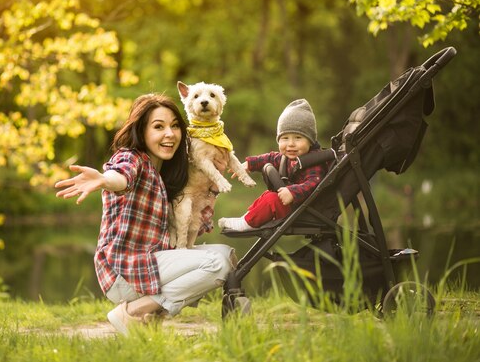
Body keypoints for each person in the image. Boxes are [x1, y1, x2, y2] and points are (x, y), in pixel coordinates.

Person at [55, 94, 235, 334]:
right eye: (158, 127)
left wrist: (211, 186)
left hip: (151, 262)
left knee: (227, 255)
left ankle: (149, 317)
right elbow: (121, 176)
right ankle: (135, 312)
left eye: (174, 126)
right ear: (141, 130)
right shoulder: (131, 158)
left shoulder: (166, 170)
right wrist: (103, 180)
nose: (169, 134)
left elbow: (193, 224)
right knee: (217, 263)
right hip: (125, 272)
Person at [218, 99, 326, 231]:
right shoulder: (287, 157)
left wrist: (292, 192)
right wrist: (249, 164)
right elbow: (270, 157)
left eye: (298, 138)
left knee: (271, 200)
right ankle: (249, 218)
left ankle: (248, 223)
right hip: (292, 205)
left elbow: (314, 184)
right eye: (285, 138)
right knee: (268, 194)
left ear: (310, 141)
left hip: (304, 210)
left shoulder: (314, 161)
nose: (291, 144)